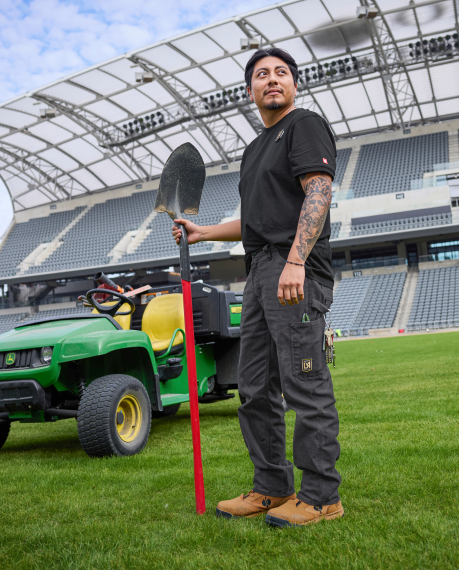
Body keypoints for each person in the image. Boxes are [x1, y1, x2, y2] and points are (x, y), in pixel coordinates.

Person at [172, 47, 342, 527]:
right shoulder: (255, 149)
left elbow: (319, 191)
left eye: (281, 73)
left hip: (293, 268)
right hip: (260, 267)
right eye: (262, 74)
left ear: (294, 85)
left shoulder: (303, 124)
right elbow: (257, 220)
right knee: (254, 387)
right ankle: (271, 487)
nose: (272, 79)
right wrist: (203, 233)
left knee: (304, 384)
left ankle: (322, 496)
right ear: (250, 91)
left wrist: (295, 261)